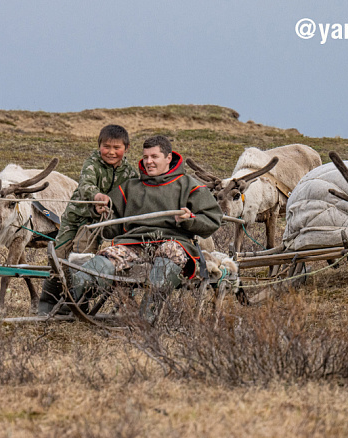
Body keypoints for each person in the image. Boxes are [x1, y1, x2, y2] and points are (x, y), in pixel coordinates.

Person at [70, 135, 223, 302]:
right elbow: (111, 229)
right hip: (133, 244)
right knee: (102, 261)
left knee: (170, 251)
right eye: (145, 157)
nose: (148, 161)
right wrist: (101, 213)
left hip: (174, 243)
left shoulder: (189, 185)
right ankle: (73, 304)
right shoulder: (130, 187)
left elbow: (213, 219)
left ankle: (148, 314)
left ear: (168, 158)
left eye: (154, 157)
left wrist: (189, 219)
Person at [37, 124, 138, 315]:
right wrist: (97, 196)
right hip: (74, 217)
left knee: (82, 258)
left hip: (96, 223)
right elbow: (86, 185)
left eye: (117, 148)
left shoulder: (130, 174)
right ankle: (47, 302)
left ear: (126, 148)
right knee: (58, 257)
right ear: (99, 145)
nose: (111, 152)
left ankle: (77, 303)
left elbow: (133, 195)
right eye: (106, 147)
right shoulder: (91, 164)